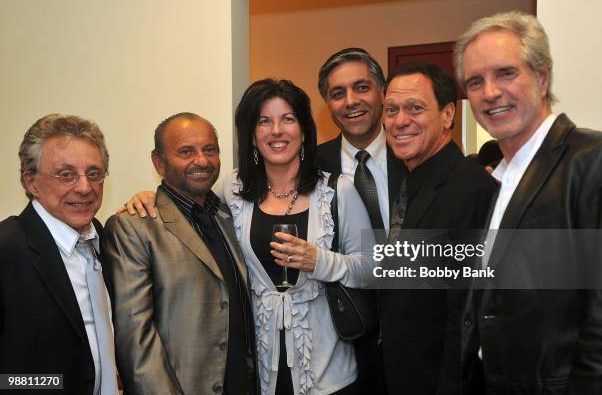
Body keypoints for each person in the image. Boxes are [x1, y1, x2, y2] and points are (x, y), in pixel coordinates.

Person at [455, 11, 602, 393]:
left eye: (506, 73)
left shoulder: (595, 159)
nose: (490, 92)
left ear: (542, 78)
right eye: (475, 81)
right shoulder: (499, 178)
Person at [221, 78, 375, 395]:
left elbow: (371, 267)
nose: (276, 131)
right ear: (251, 134)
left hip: (328, 372)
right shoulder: (233, 190)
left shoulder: (336, 190)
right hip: (258, 371)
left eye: (287, 119)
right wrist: (151, 198)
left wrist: (319, 261)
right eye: (264, 121)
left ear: (304, 130)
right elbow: (191, 214)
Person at [103, 113, 259, 395]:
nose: (201, 160)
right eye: (186, 151)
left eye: (209, 150)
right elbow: (135, 338)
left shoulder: (227, 215)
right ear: (158, 162)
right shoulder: (134, 227)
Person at [380, 61, 497, 394]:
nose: (400, 121)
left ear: (448, 115)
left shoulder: (471, 190)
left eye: (415, 108)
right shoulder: (412, 181)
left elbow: (466, 317)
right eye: (391, 110)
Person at [0, 114, 119, 394]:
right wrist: (50, 385)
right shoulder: (7, 249)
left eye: (94, 173)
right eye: (66, 175)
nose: (84, 187)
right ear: (31, 182)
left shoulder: (103, 237)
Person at [317, 47, 405, 236]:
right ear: (328, 105)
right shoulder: (311, 167)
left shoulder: (412, 157)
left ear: (383, 93)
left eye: (362, 88)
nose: (351, 101)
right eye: (338, 94)